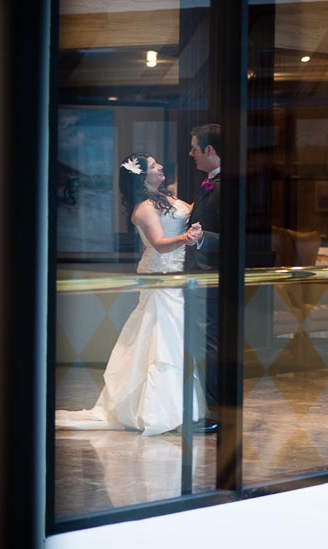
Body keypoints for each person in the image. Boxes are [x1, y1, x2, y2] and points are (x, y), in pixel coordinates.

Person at [56, 152, 206, 435]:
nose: (160, 166)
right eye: (153, 166)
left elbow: (192, 212)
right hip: (161, 276)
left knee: (173, 336)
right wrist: (186, 238)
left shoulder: (168, 198)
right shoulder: (143, 209)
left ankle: (182, 406)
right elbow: (160, 244)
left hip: (179, 274)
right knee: (164, 338)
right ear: (142, 176)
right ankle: (162, 409)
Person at [186, 124, 222, 434]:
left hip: (213, 279)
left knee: (211, 346)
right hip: (200, 278)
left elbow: (239, 240)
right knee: (202, 344)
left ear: (210, 150)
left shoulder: (225, 186)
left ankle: (215, 411)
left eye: (195, 148)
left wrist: (201, 239)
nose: (191, 153)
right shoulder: (208, 183)